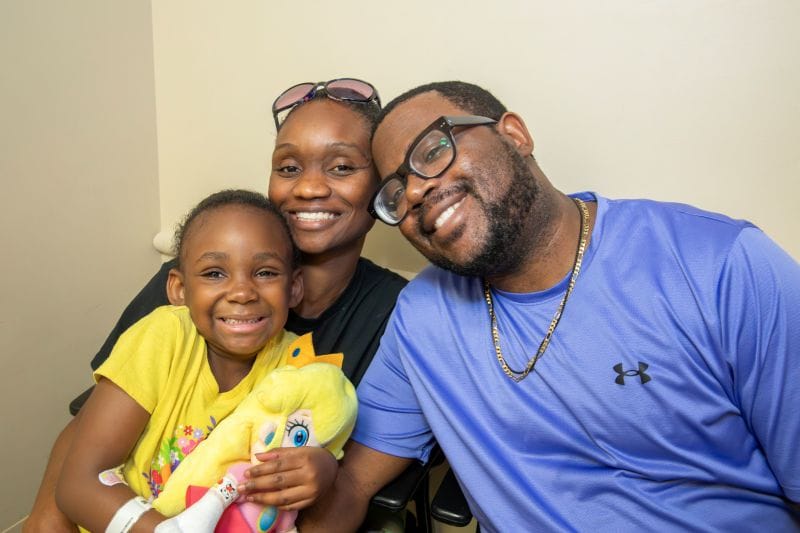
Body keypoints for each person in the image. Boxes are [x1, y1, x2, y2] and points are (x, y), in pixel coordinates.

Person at [297, 81, 800, 532]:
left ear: (514, 135)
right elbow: (353, 486)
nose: (415, 191)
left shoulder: (719, 265)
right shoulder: (422, 317)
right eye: (394, 192)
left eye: (434, 150)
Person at [25, 78, 408, 532]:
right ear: (180, 287)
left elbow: (349, 486)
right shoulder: (182, 306)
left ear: (383, 186)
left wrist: (323, 472)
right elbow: (86, 445)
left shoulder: (394, 317)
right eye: (288, 167)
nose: (308, 187)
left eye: (341, 167)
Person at [56, 189, 310, 531]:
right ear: (179, 288)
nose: (242, 293)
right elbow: (79, 484)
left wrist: (323, 470)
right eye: (214, 273)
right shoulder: (162, 337)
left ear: (294, 287)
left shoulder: (298, 369)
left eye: (265, 272)